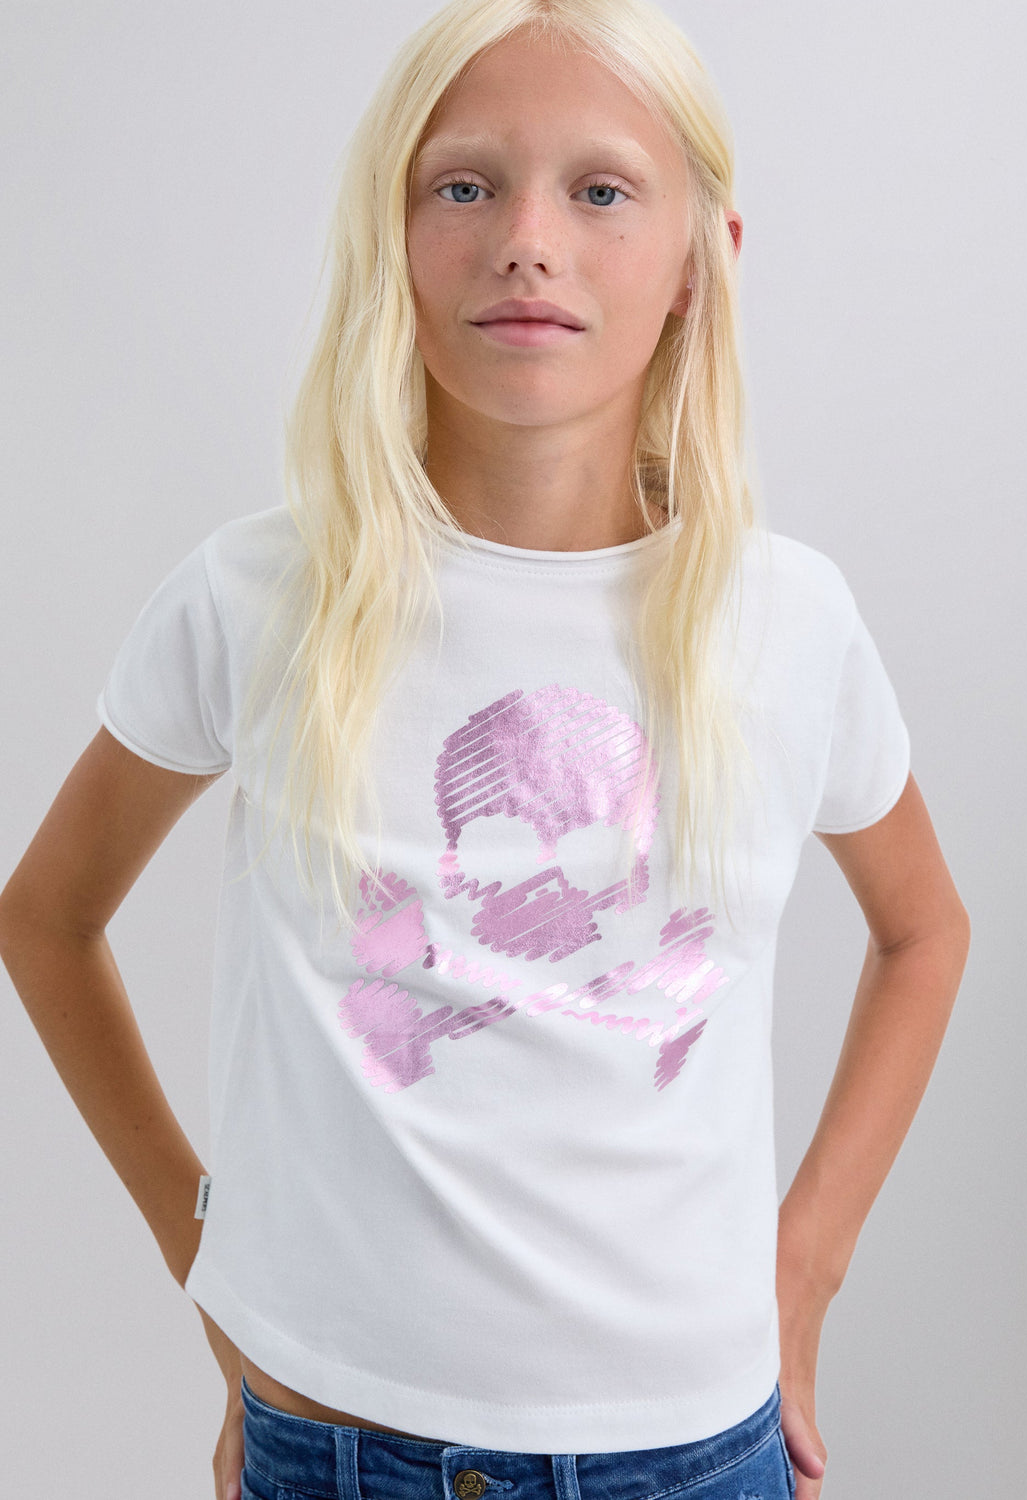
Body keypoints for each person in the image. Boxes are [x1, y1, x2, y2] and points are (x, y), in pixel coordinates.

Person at [0, 1, 970, 1497]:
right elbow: (48, 918)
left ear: (702, 261)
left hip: (691, 1452)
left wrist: (806, 1266)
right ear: (387, 237)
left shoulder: (788, 622)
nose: (527, 240)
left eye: (601, 190)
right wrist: (210, 1257)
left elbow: (922, 931)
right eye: (463, 184)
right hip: (335, 1444)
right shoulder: (258, 600)